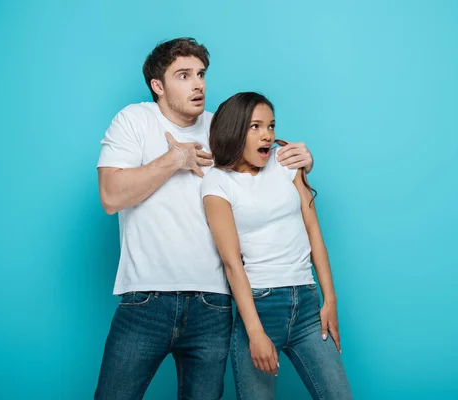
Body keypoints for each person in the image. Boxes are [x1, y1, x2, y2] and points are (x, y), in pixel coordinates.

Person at [95, 38, 313, 400]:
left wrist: (302, 162)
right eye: (184, 75)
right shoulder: (134, 120)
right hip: (146, 299)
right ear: (158, 86)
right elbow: (110, 196)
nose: (198, 84)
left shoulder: (222, 129)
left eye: (201, 74)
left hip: (213, 305)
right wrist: (174, 160)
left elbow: (268, 172)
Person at [201, 92, 352, 400]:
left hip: (307, 306)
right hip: (259, 307)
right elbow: (232, 264)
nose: (267, 135)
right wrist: (255, 332)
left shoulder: (285, 162)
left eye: (271, 126)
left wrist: (330, 299)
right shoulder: (217, 181)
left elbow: (313, 229)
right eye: (255, 126)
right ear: (234, 130)